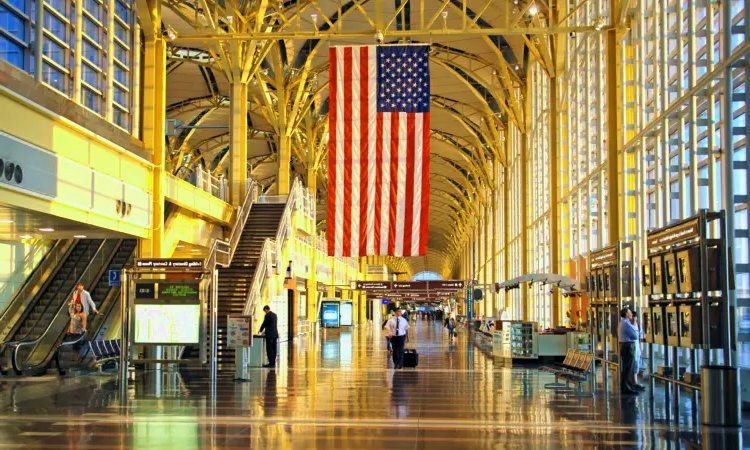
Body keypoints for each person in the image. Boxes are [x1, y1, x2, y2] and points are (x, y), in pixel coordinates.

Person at [618, 307, 644, 394]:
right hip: (628, 346)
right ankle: (626, 388)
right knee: (628, 368)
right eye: (630, 313)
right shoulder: (626, 323)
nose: (632, 314)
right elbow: (635, 336)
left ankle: (628, 386)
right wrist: (637, 330)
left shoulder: (624, 322)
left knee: (628, 367)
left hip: (625, 345)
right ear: (626, 314)